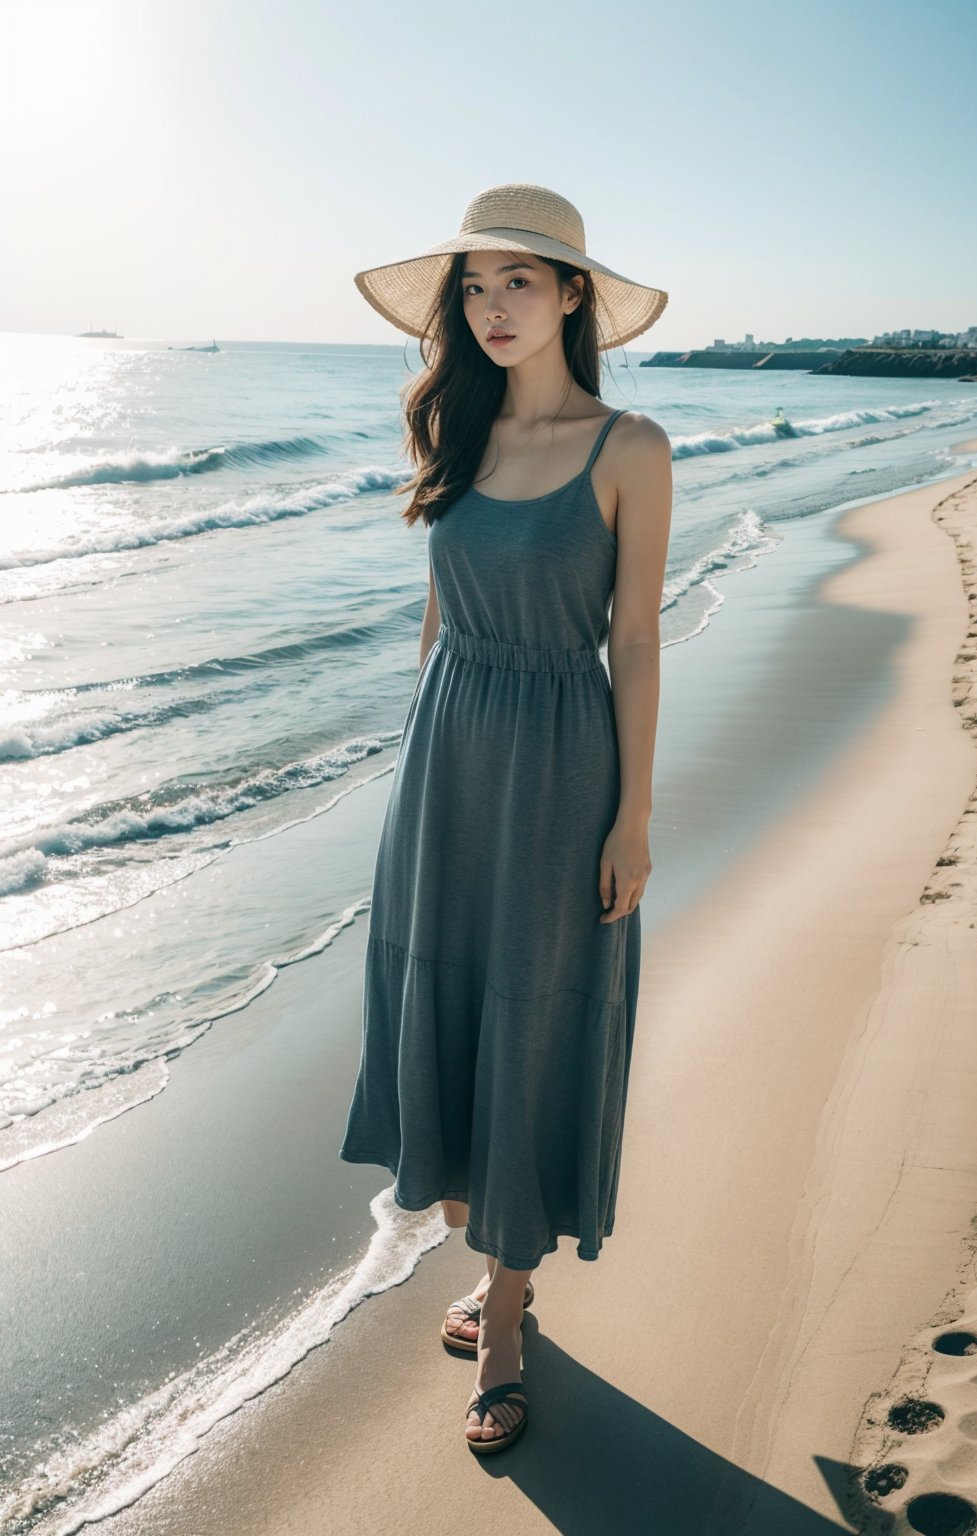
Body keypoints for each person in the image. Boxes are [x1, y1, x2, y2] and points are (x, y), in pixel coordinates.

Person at [339, 182, 672, 1453]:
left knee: (533, 1012)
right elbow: (436, 614)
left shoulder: (629, 444)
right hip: (449, 757)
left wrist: (632, 814)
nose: (490, 307)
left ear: (574, 295)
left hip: (558, 763)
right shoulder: (455, 434)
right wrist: (412, 762)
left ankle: (512, 1305)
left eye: (518, 282)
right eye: (472, 286)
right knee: (449, 999)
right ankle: (486, 1260)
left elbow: (634, 639)